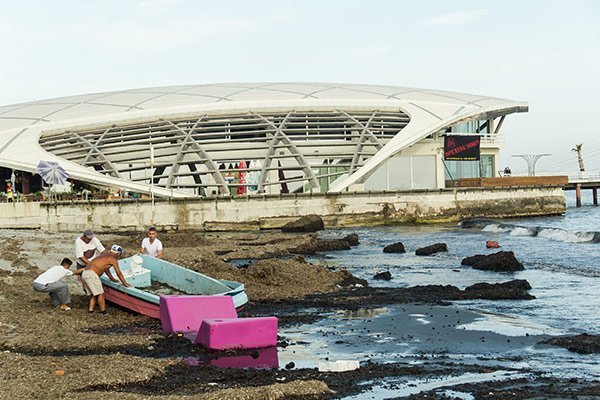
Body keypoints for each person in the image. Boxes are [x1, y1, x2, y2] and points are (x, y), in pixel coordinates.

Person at [81, 244, 131, 314]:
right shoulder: (113, 259)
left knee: (94, 294)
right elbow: (119, 273)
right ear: (118, 254)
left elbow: (105, 269)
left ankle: (91, 310)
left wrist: (112, 278)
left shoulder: (104, 255)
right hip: (92, 274)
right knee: (101, 294)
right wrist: (125, 284)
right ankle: (103, 312)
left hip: (84, 273)